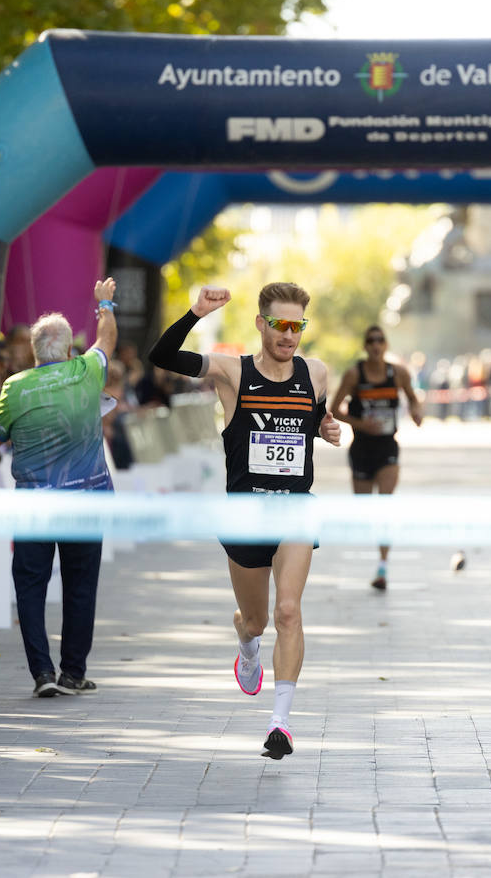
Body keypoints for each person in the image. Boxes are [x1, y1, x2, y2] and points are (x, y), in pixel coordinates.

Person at [147, 283, 341, 760]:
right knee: (256, 620)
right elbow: (162, 355)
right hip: (244, 514)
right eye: (281, 325)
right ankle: (246, 640)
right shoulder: (233, 371)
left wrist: (328, 427)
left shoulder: (316, 373)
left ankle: (281, 723)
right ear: (261, 323)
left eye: (298, 326)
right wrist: (194, 312)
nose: (289, 335)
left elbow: (312, 422)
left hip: (295, 509)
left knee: (289, 611)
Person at [0, 279, 118, 700]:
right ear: (67, 350)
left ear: (33, 352)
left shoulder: (14, 386)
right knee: (81, 585)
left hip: (33, 505)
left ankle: (42, 672)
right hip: (86, 500)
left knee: (30, 584)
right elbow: (108, 338)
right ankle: (73, 673)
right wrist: (104, 302)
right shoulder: (85, 371)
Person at [330, 325, 424, 589]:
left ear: (386, 345)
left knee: (384, 507)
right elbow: (334, 410)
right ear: (365, 345)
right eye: (370, 340)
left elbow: (414, 400)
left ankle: (382, 567)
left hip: (387, 448)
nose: (375, 344)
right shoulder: (354, 374)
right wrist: (360, 424)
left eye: (380, 340)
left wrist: (417, 413)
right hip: (361, 449)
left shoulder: (398, 374)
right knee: (365, 510)